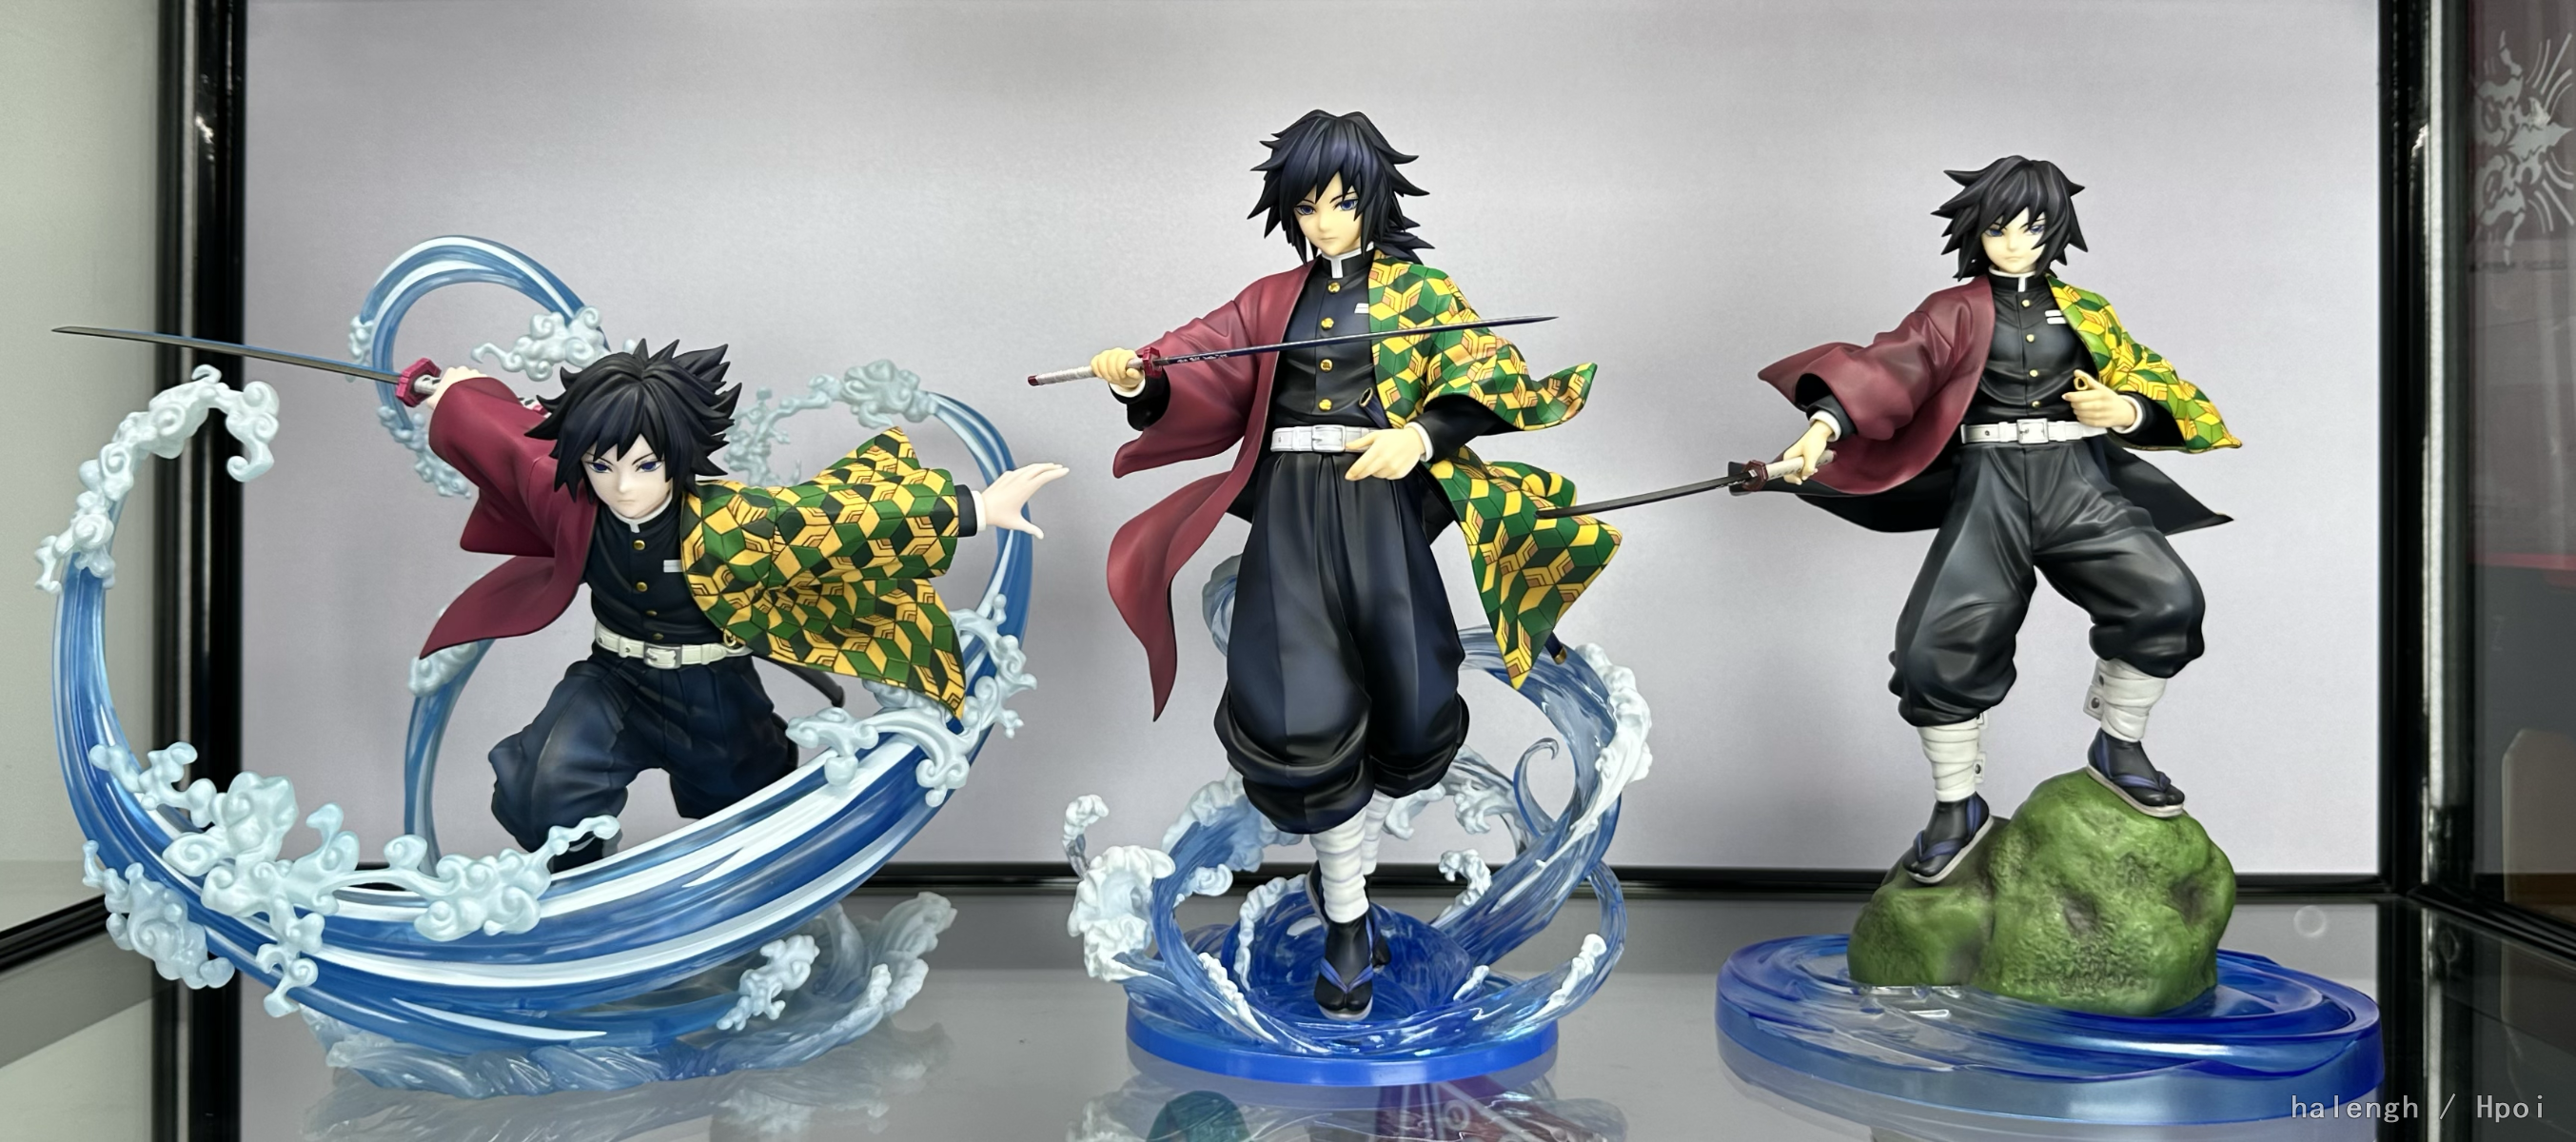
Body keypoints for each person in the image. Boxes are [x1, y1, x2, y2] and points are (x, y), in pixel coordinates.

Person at [1090, 110, 1619, 1019]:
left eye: (1342, 202)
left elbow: (1486, 376)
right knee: (1301, 709)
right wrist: (1142, 378)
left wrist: (1422, 435)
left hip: (1378, 510)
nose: (1325, 221)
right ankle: (1345, 919)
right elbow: (1200, 359)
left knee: (1409, 693)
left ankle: (1353, 887)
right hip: (1292, 515)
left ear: (1374, 198)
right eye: (1308, 206)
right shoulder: (1270, 299)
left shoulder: (1421, 292)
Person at [1758, 157, 2239, 885]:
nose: (2014, 242)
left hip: (2077, 483)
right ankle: (1955, 807)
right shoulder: (1953, 311)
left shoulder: (2086, 311)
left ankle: (2119, 745)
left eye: (2031, 228)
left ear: (2056, 231)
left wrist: (2124, 410)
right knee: (1933, 650)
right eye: (1997, 228)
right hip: (1990, 490)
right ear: (1975, 233)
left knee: (2166, 599)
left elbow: (2145, 376)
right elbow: (1890, 368)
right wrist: (1822, 428)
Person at [411, 342, 1065, 870]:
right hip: (612, 679)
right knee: (542, 785)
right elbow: (507, 440)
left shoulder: (731, 524)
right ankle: (576, 892)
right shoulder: (572, 498)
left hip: (713, 692)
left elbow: (834, 519)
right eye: (603, 466)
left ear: (677, 457)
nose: (622, 487)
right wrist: (453, 394)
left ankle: (741, 913)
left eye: (643, 466)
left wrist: (973, 508)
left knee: (750, 809)